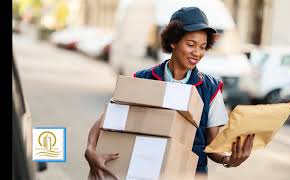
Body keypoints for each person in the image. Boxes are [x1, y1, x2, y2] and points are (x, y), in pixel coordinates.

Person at [85, 7, 255, 180]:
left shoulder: (210, 89)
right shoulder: (144, 79)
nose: (197, 53)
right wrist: (90, 150)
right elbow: (105, 119)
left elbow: (212, 146)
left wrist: (229, 159)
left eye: (203, 47)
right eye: (191, 45)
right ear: (173, 41)